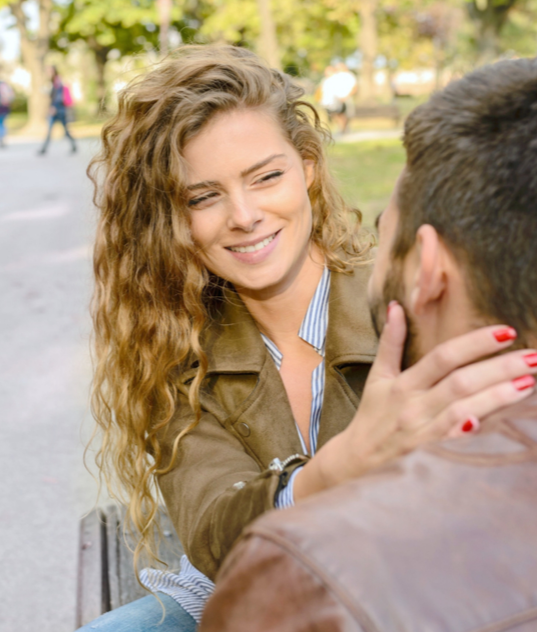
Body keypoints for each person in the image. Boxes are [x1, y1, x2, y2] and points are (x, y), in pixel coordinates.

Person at [79, 46, 528, 631]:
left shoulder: (405, 301)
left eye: (266, 177)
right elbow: (213, 532)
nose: (244, 214)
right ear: (170, 218)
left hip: (400, 592)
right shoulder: (171, 346)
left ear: (308, 167)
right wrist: (338, 468)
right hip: (241, 593)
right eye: (203, 196)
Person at [37, 66, 77, 155]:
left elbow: (59, 97)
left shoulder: (57, 81)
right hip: (56, 109)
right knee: (54, 130)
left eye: (49, 71)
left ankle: (44, 148)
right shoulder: (52, 81)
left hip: (58, 110)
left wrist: (54, 107)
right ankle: (44, 148)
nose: (48, 72)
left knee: (63, 130)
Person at [319, 61, 357, 133]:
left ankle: (344, 128)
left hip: (346, 98)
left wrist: (346, 96)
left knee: (346, 114)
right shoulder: (336, 77)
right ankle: (342, 128)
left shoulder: (349, 76)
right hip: (337, 98)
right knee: (337, 114)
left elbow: (354, 88)